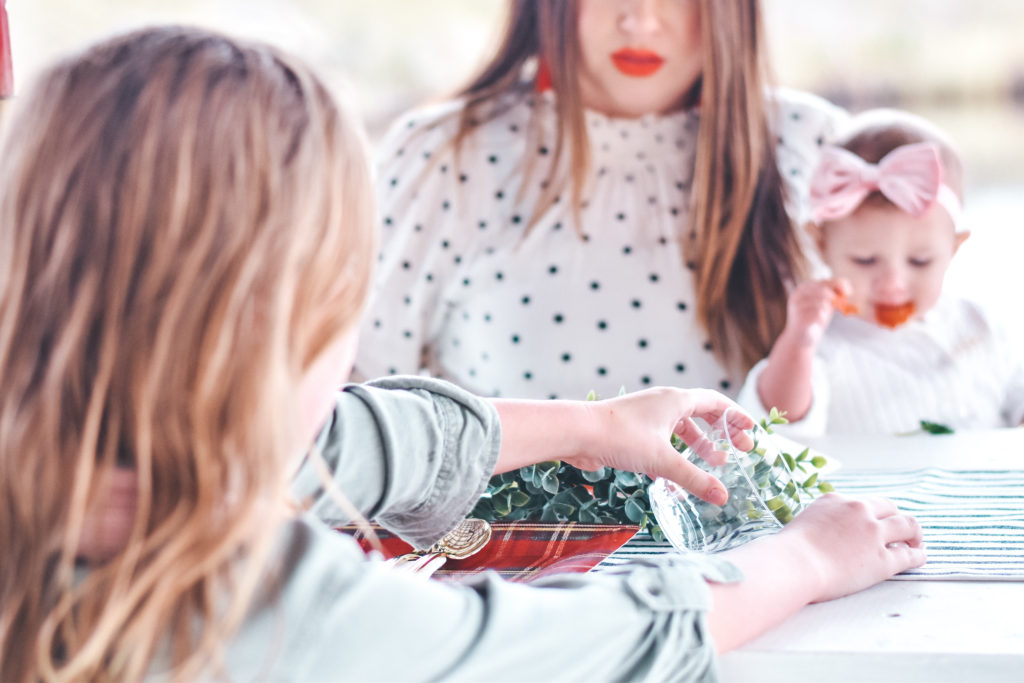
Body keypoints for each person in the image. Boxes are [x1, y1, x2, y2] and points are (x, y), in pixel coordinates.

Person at [0, 26, 925, 682]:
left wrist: (596, 425)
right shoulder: (280, 611)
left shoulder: (68, 473)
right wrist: (807, 558)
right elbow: (578, 642)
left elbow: (352, 439)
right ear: (297, 326)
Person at [355, 0, 848, 401]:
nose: (640, 20)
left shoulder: (815, 147)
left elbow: (896, 389)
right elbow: (357, 413)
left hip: (770, 525)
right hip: (511, 526)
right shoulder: (445, 152)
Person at [737, 109, 1024, 437]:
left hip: (977, 486)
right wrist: (799, 342)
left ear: (953, 250)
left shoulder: (980, 324)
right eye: (865, 260)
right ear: (821, 246)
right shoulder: (822, 343)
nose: (891, 284)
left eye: (920, 261)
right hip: (870, 488)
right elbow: (779, 424)